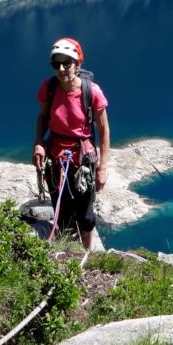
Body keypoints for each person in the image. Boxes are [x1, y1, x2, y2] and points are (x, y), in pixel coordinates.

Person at [32, 37, 110, 250]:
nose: (62, 68)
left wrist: (102, 168)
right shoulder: (49, 88)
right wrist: (38, 143)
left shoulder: (91, 91)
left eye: (67, 63)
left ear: (78, 64)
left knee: (85, 215)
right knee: (62, 210)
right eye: (56, 64)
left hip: (81, 161)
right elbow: (42, 118)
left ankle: (86, 254)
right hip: (56, 159)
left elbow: (103, 131)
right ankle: (67, 253)